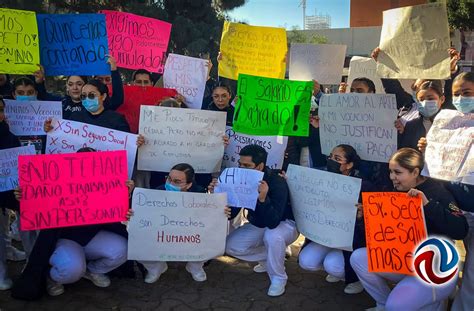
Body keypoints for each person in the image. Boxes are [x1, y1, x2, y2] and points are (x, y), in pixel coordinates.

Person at [350, 148, 468, 311]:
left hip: (434, 268)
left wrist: (428, 205)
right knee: (358, 257)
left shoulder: (439, 192)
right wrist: (365, 219)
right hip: (404, 261)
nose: (392, 177)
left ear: (415, 172)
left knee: (397, 305)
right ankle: (382, 303)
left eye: (398, 172)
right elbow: (382, 236)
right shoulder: (396, 190)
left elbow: (461, 229)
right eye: (390, 172)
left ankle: (437, 301)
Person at [12, 147, 135, 297]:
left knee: (124, 249)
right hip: (63, 239)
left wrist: (125, 196)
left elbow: (121, 216)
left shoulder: (105, 184)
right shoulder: (57, 183)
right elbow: (37, 206)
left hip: (92, 237)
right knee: (72, 270)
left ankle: (92, 271)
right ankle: (51, 277)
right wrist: (24, 197)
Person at [209, 144, 298, 297]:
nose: (241, 168)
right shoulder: (239, 178)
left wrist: (262, 199)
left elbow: (273, 222)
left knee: (273, 236)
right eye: (240, 164)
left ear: (260, 166)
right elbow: (232, 212)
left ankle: (278, 277)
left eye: (247, 165)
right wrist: (217, 196)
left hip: (284, 224)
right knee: (231, 246)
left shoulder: (277, 182)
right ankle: (272, 257)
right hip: (259, 223)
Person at [130, 163, 230, 284]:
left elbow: (210, 221)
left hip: (190, 235)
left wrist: (221, 211)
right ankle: (156, 267)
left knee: (216, 235)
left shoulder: (201, 196)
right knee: (134, 240)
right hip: (162, 233)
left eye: (177, 181)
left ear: (189, 184)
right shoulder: (157, 192)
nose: (170, 184)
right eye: (169, 179)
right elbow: (144, 218)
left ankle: (195, 266)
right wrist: (134, 213)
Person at [298, 144, 375, 295]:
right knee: (306, 261)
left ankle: (357, 278)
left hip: (351, 242)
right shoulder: (321, 179)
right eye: (331, 157)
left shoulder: (363, 186)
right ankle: (340, 270)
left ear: (350, 165)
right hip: (326, 235)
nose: (331, 160)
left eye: (337, 158)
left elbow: (370, 225)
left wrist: (361, 215)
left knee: (332, 265)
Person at [397, 80, 446, 149]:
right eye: (421, 100)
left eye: (430, 98)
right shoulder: (411, 126)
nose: (425, 102)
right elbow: (405, 152)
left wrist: (432, 149)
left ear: (442, 99)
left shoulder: (451, 123)